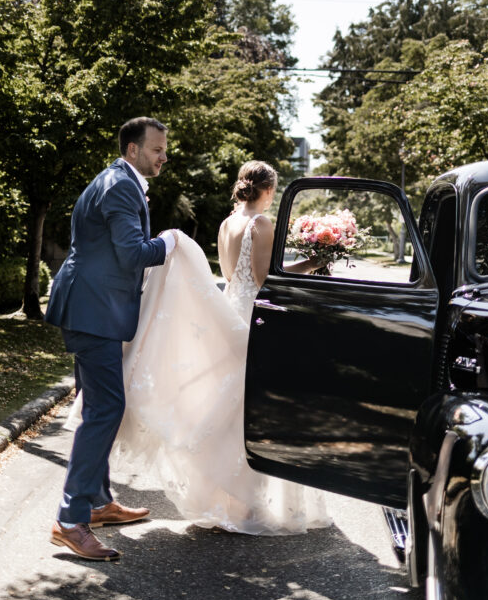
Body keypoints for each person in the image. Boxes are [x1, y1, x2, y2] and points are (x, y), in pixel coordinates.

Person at [113, 159, 330, 534]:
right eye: (273, 189)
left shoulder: (227, 223)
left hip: (230, 306)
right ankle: (245, 501)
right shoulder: (261, 223)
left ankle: (226, 497)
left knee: (227, 408)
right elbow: (265, 278)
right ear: (268, 190)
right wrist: (313, 263)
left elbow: (232, 276)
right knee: (251, 410)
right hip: (253, 319)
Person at [45, 116, 178, 561]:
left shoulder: (115, 180)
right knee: (106, 408)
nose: (163, 156)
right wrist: (172, 243)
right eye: (157, 149)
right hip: (93, 311)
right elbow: (134, 254)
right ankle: (70, 520)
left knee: (97, 405)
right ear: (133, 149)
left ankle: (99, 503)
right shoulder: (121, 186)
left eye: (163, 149)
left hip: (90, 307)